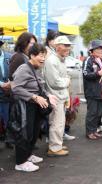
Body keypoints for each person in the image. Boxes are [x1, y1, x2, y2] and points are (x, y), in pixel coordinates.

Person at [11, 43, 57, 172]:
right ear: (32, 55)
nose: (43, 59)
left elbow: (40, 87)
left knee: (34, 132)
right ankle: (20, 162)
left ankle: (28, 155)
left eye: (44, 56)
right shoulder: (24, 69)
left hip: (35, 106)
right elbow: (16, 88)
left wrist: (48, 95)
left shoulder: (37, 69)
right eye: (40, 56)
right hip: (25, 106)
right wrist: (34, 97)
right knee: (25, 134)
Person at [44, 36, 72, 156]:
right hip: (55, 97)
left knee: (59, 122)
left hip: (60, 96)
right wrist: (67, 81)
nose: (68, 48)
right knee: (57, 123)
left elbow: (61, 80)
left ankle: (57, 144)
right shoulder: (52, 61)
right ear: (57, 46)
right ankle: (54, 148)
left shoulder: (59, 59)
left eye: (68, 46)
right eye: (65, 46)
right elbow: (55, 82)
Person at [82, 40, 102, 140]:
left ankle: (94, 130)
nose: (100, 51)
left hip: (101, 91)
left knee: (98, 113)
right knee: (92, 113)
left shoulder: (101, 60)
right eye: (97, 49)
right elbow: (85, 74)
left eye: (101, 49)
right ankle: (89, 132)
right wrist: (98, 73)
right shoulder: (88, 60)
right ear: (92, 50)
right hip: (91, 92)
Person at [0, 43, 12, 133]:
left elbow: (15, 72)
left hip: (8, 93)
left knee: (7, 116)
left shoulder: (9, 57)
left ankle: (8, 137)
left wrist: (10, 83)